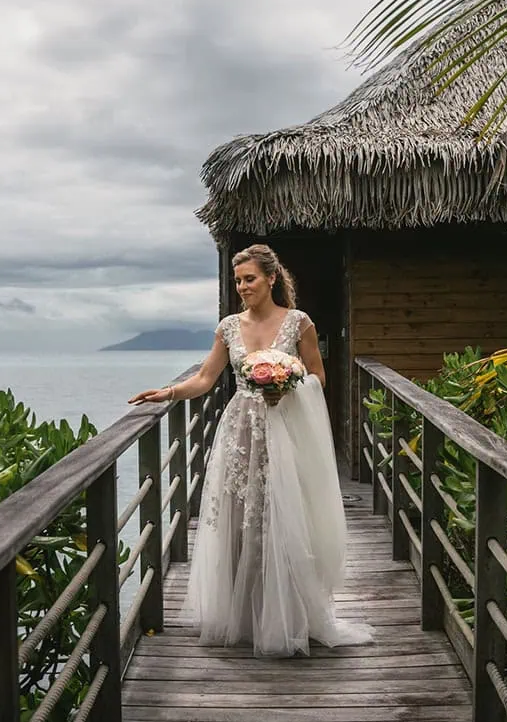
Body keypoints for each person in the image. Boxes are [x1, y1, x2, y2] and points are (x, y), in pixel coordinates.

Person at [130, 244, 373, 656]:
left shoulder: (299, 324)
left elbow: (318, 376)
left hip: (286, 429)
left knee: (283, 516)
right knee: (240, 517)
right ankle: (245, 614)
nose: (242, 287)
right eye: (237, 280)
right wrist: (168, 392)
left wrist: (289, 383)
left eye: (250, 279)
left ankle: (288, 614)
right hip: (241, 431)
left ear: (271, 279)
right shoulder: (228, 327)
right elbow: (206, 378)